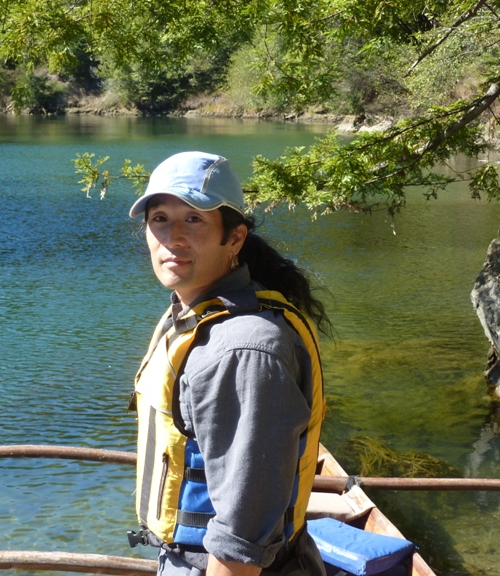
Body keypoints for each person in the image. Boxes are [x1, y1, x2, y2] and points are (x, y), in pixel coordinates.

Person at [128, 151, 331, 576]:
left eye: (194, 219)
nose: (173, 237)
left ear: (235, 238)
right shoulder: (194, 314)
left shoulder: (244, 349)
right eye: (160, 218)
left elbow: (242, 536)